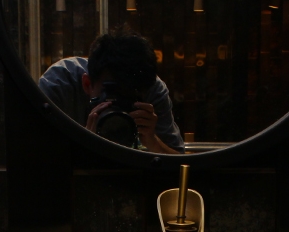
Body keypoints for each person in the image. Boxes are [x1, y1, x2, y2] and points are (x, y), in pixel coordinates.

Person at [39, 28, 184, 153]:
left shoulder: (151, 87)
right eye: (110, 94)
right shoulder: (60, 84)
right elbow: (37, 163)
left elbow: (180, 166)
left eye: (128, 97)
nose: (117, 106)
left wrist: (153, 142)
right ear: (87, 84)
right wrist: (86, 142)